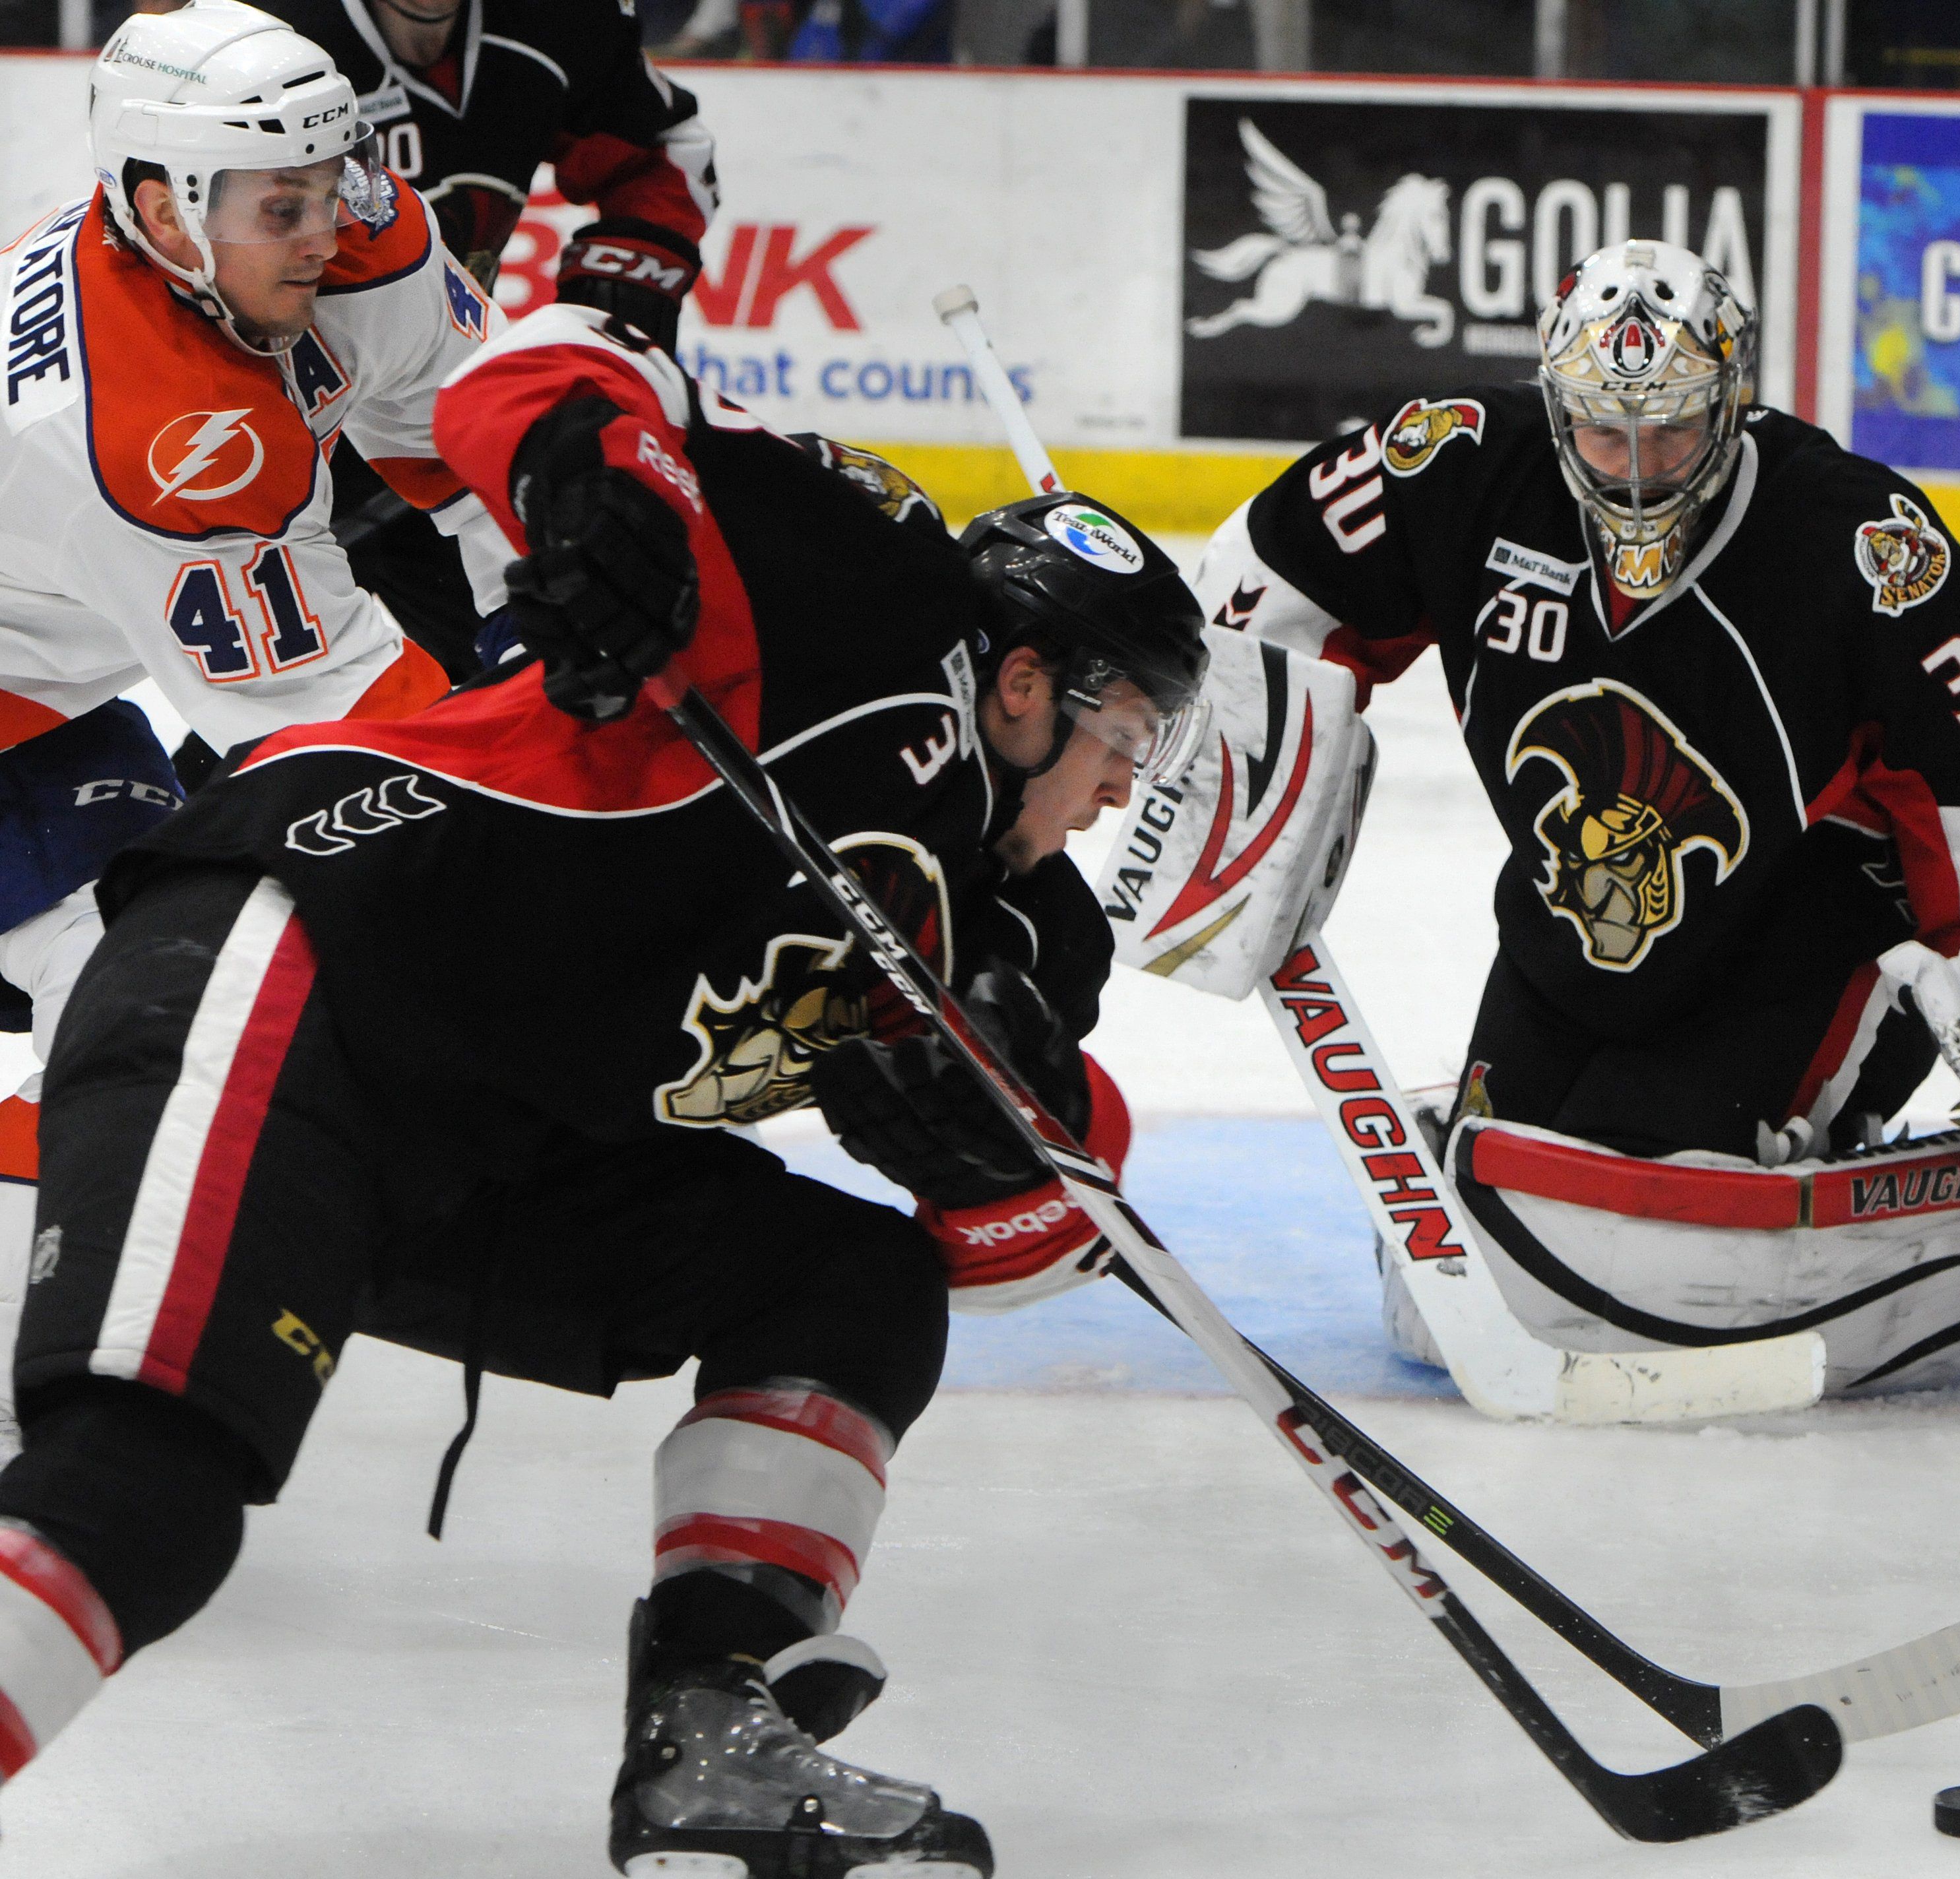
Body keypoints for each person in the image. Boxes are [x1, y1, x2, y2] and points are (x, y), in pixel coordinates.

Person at [0, 288, 1205, 1875]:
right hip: (299, 962)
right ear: (1028, 679)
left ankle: (711, 1729)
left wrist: (990, 1141)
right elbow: (552, 357)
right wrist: (596, 491)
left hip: (483, 1134)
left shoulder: (1011, 920)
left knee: (849, 1279)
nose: (1126, 781)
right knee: (139, 1499)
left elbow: (1045, 1233)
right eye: (1124, 723)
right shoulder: (861, 606)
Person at [1191, 239, 1960, 1393]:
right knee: (1478, 1220)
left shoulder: (1854, 541)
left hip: (1806, 926)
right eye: (1603, 431)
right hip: (1574, 926)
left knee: (1638, 1221)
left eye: (1668, 428)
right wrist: (1239, 778)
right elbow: (1254, 595)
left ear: (1732, 400)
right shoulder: (1462, 463)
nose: (1633, 471)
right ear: (1553, 404)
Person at [0, 0, 513, 1420]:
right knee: (149, 996)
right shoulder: (145, 436)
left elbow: (481, 423)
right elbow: (350, 740)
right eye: (281, 205)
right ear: (161, 212)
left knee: (160, 970)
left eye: (330, 183)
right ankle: (83, 1389)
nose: (323, 229)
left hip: (45, 679)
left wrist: (562, 581)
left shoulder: (342, 234)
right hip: (26, 703)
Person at [253, 0, 720, 682]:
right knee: (266, 722)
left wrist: (624, 283)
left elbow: (660, 153)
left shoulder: (556, 20)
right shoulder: (263, 39)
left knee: (549, 668)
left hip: (431, 427)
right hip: (279, 444)